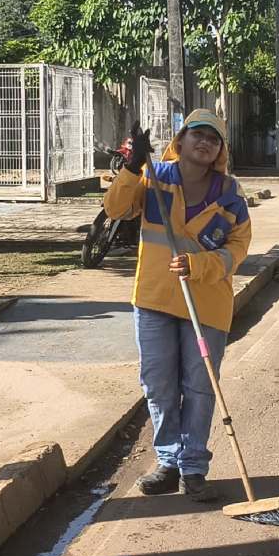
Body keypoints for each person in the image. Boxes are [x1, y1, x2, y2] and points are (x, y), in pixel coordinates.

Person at [103, 109, 252, 502]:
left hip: (206, 305)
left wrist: (199, 265)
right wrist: (133, 166)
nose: (205, 142)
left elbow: (238, 248)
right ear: (180, 141)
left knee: (200, 388)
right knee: (159, 384)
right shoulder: (155, 178)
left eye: (214, 138)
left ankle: (194, 467)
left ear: (220, 150)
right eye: (197, 134)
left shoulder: (230, 193)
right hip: (154, 299)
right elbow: (116, 209)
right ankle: (169, 461)